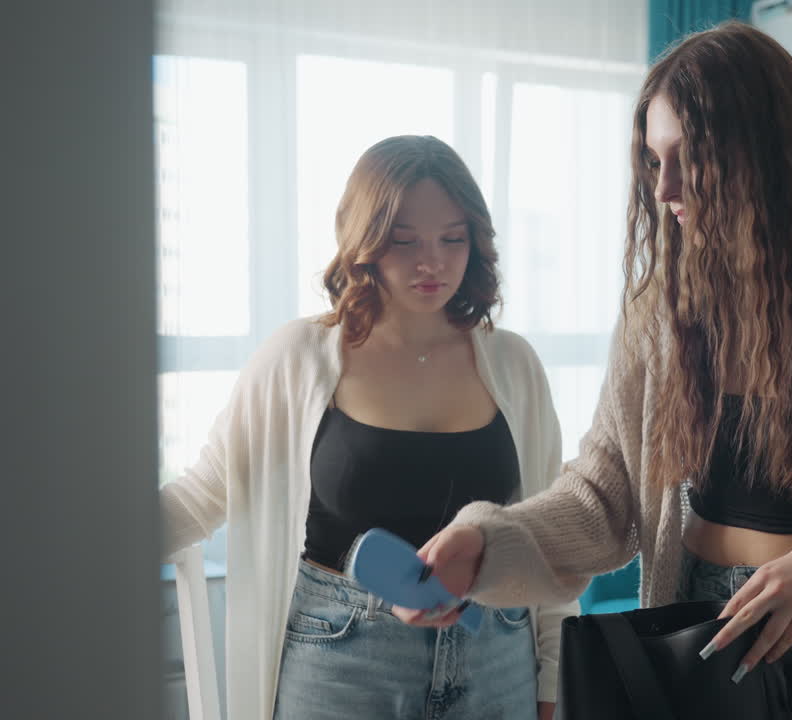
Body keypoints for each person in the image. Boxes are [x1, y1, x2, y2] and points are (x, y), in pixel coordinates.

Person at [407, 20, 792, 720]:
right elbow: (602, 496)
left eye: (688, 157)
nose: (664, 188)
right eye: (651, 159)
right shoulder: (658, 312)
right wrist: (489, 542)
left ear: (763, 150)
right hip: (694, 648)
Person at [160, 135, 573, 720]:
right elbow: (205, 493)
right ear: (365, 243)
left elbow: (550, 529)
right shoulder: (297, 358)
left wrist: (554, 680)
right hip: (342, 660)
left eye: (452, 239)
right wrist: (82, 549)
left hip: (497, 654)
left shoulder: (514, 363)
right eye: (405, 241)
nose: (432, 262)